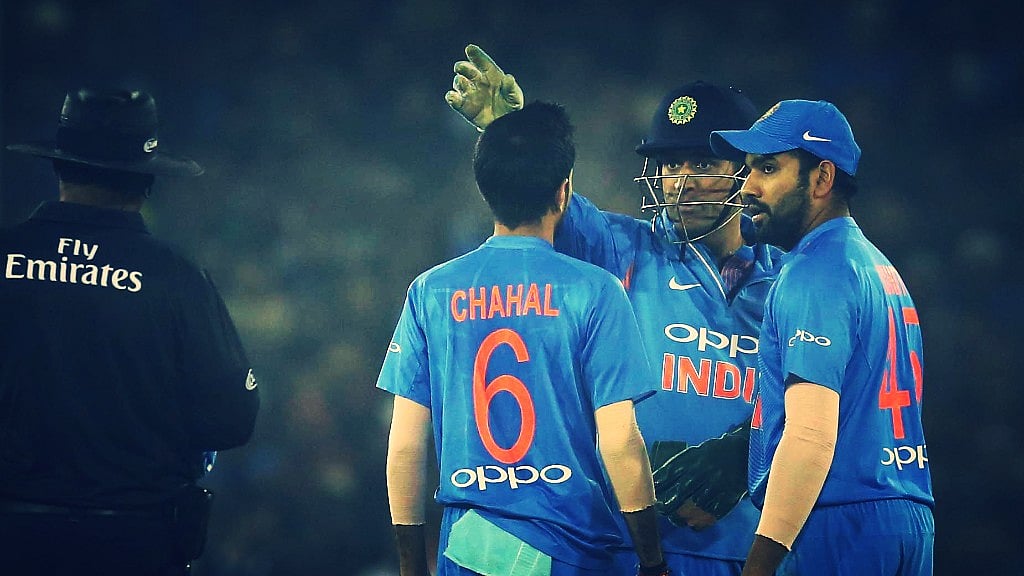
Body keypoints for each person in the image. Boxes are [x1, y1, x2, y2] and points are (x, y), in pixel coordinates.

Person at [446, 45, 781, 576]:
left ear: (751, 171)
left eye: (703, 162)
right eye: (670, 162)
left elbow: (823, 410)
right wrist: (512, 128)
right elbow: (547, 196)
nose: (681, 179)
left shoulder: (789, 282)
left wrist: (749, 448)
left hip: (749, 552)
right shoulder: (621, 248)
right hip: (627, 553)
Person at [377, 101, 669, 576]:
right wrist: (653, 562)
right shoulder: (595, 289)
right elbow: (620, 440)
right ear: (563, 192)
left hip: (468, 550)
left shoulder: (431, 290)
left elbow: (406, 445)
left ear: (485, 189)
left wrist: (413, 568)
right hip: (570, 552)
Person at [0, 88, 260, 575]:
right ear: (148, 181)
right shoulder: (176, 279)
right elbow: (231, 419)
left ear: (58, 165)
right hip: (131, 543)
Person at [709, 99, 935, 575]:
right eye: (749, 169)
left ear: (822, 179)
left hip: (837, 523)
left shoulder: (815, 272)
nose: (748, 187)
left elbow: (810, 435)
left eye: (768, 168)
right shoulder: (878, 267)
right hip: (907, 517)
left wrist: (760, 565)